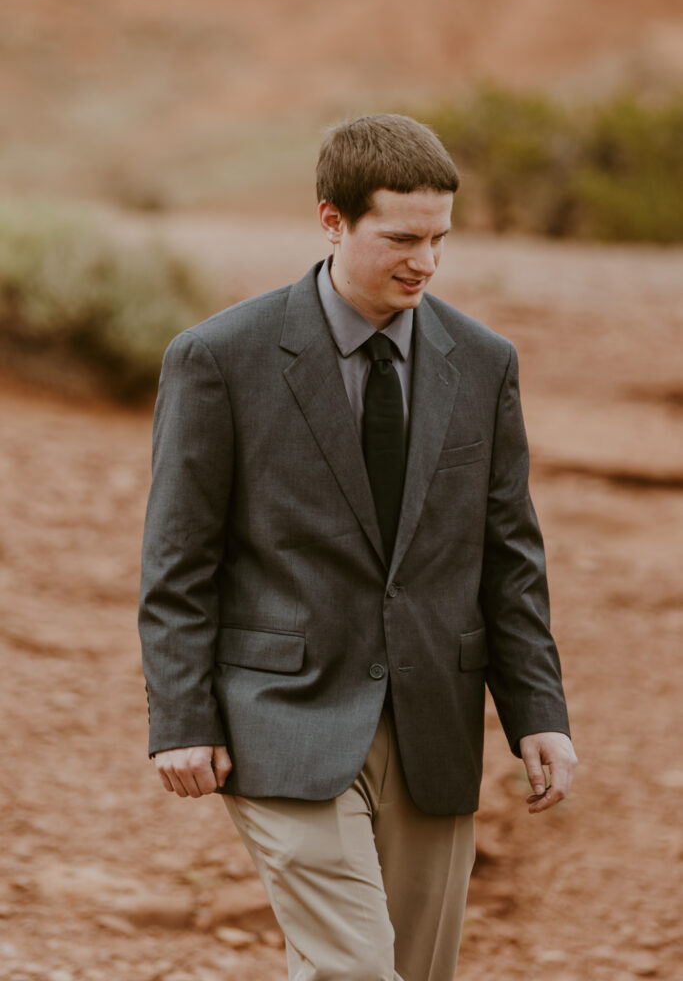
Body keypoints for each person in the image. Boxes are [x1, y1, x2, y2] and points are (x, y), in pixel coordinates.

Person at [139, 113, 577, 981]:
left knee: (412, 973)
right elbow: (178, 560)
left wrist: (539, 713)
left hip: (434, 725)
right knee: (355, 969)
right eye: (402, 237)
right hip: (279, 719)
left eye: (439, 238)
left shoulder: (484, 363)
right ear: (331, 221)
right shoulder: (219, 358)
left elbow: (507, 556)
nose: (426, 260)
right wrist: (180, 721)